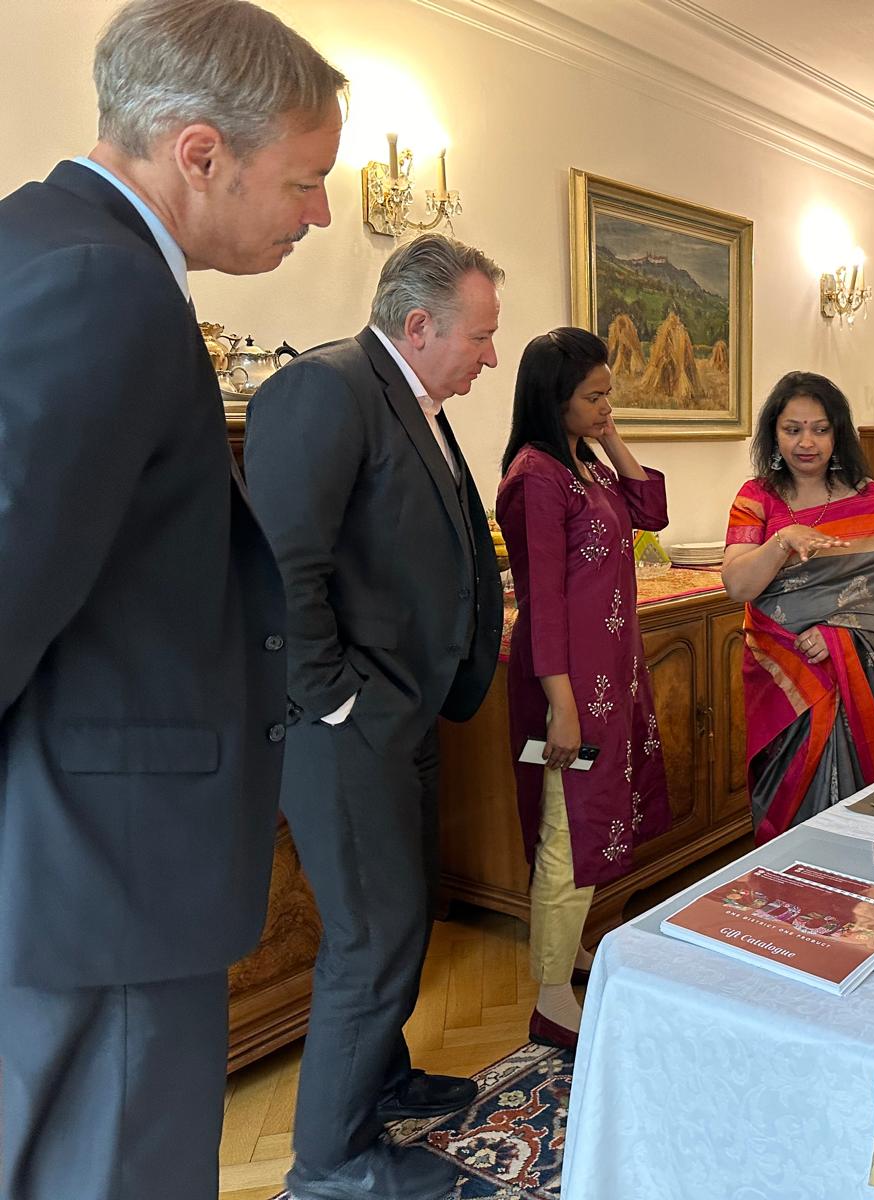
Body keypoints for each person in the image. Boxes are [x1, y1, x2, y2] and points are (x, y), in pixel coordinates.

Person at [0, 2, 343, 1198]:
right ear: (200, 154)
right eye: (304, 180)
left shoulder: (40, 247)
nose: (322, 214)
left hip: (70, 866)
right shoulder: (100, 286)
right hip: (105, 880)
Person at [243, 234, 505, 1200]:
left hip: (403, 713)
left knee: (401, 917)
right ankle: (332, 1161)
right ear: (420, 323)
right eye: (479, 337)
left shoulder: (413, 400)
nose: (489, 356)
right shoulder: (326, 389)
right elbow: (284, 568)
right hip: (346, 725)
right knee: (374, 935)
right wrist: (339, 697)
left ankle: (382, 1077)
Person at [497, 327, 672, 1048]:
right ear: (552, 398)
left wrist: (608, 434)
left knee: (591, 825)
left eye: (610, 394)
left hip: (610, 683)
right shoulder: (534, 477)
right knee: (567, 833)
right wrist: (563, 710)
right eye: (593, 395)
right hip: (565, 695)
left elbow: (652, 511)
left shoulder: (586, 467)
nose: (606, 406)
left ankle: (568, 954)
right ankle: (548, 998)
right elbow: (543, 605)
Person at [721, 371, 874, 843]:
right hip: (782, 674)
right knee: (785, 790)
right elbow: (737, 584)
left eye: (820, 429)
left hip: (853, 666)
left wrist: (838, 635)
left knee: (854, 798)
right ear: (774, 434)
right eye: (792, 429)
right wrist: (783, 541)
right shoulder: (757, 498)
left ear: (837, 433)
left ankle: (848, 880)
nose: (806, 442)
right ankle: (789, 879)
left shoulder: (870, 498)